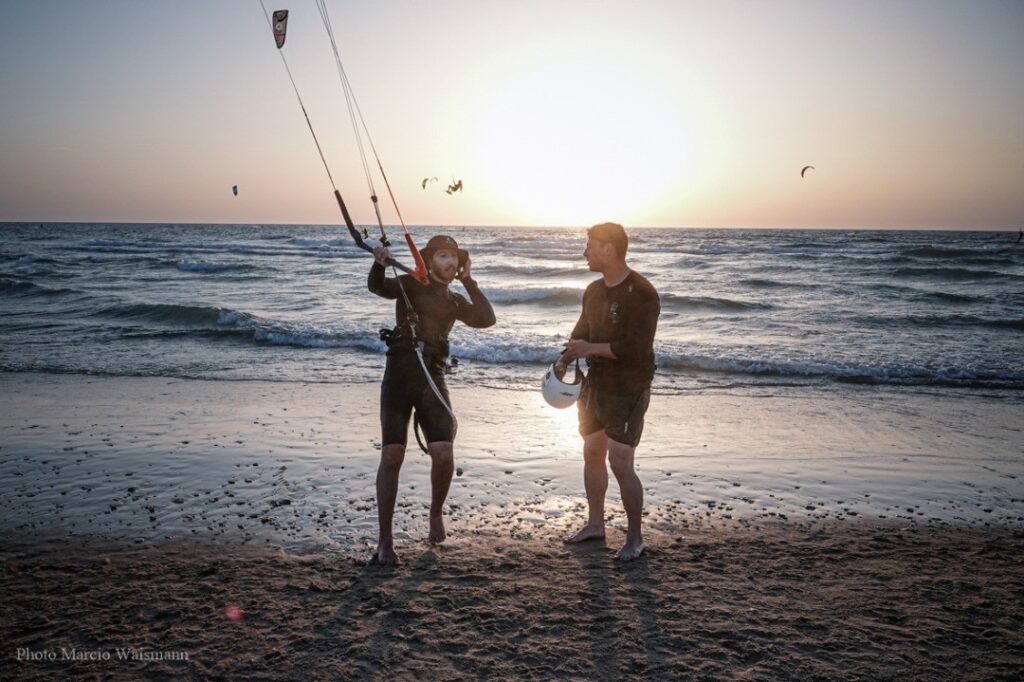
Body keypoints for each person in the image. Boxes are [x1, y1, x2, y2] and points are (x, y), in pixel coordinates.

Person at [368, 235, 495, 565]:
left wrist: (469, 281)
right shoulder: (409, 284)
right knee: (393, 455)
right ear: (428, 259)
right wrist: (378, 263)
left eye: (454, 257)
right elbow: (377, 288)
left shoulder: (453, 300)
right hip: (399, 376)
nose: (450, 262)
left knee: (443, 452)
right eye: (443, 256)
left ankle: (436, 513)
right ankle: (385, 542)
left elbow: (486, 318)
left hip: (432, 378)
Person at [556, 222, 660, 561]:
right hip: (595, 385)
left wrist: (589, 348)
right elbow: (581, 331)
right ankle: (595, 524)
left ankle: (634, 539)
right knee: (591, 453)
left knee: (620, 462)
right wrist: (564, 359)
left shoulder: (642, 293)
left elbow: (636, 348)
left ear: (609, 250)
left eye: (590, 245)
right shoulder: (593, 291)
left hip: (628, 387)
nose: (584, 252)